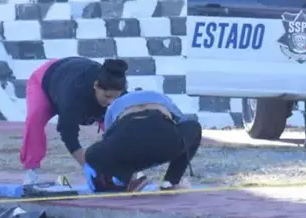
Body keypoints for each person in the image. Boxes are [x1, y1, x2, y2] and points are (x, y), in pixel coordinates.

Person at [20, 57, 128, 185]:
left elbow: (124, 132)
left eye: (115, 98)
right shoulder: (74, 95)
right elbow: (67, 132)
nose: (111, 102)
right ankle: (31, 171)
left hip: (72, 73)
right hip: (45, 81)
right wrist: (86, 165)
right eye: (107, 97)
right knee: (34, 119)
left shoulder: (118, 92)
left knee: (117, 128)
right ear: (96, 86)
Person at [83, 90, 202, 192]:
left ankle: (131, 178)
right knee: (195, 127)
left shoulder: (114, 105)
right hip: (165, 143)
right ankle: (170, 182)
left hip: (128, 144)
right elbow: (182, 122)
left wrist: (110, 170)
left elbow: (108, 138)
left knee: (92, 153)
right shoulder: (160, 97)